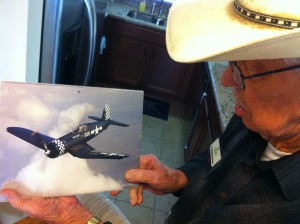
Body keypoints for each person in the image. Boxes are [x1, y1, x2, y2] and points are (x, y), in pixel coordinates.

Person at [1, 0, 300, 223]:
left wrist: (73, 219)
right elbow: (211, 162)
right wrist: (177, 178)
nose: (224, 80)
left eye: (244, 71)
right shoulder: (251, 118)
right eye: (231, 64)